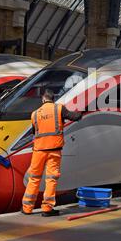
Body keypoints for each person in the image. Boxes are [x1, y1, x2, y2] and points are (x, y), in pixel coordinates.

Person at [21, 88, 82, 217]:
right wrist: (81, 112)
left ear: (43, 99)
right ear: (52, 98)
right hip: (54, 151)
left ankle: (27, 207)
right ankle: (47, 208)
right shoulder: (59, 109)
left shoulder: (34, 114)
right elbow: (74, 116)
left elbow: (34, 132)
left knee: (34, 178)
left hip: (38, 151)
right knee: (51, 179)